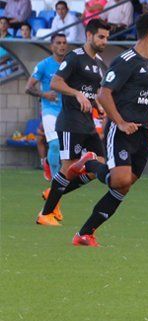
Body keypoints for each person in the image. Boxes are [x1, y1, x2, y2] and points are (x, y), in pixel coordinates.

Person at [71, 11, 148, 247]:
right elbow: (104, 93)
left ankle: (84, 234)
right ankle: (90, 162)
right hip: (121, 131)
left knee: (124, 185)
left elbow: (145, 102)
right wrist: (119, 122)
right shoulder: (126, 60)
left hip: (142, 133)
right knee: (119, 179)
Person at [36, 20, 111, 227]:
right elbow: (55, 82)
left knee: (100, 165)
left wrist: (99, 106)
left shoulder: (97, 64)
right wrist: (76, 94)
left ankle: (54, 192)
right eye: (101, 37)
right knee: (68, 167)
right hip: (70, 122)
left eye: (106, 37)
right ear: (89, 35)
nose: (105, 41)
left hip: (87, 124)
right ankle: (46, 213)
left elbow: (91, 92)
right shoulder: (74, 57)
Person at [26, 34, 66, 180]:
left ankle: (50, 163)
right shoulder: (44, 65)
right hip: (50, 110)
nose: (62, 45)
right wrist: (44, 94)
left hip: (67, 111)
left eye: (64, 43)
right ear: (52, 46)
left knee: (64, 148)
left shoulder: (69, 64)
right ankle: (56, 183)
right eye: (58, 43)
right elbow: (28, 88)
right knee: (54, 145)